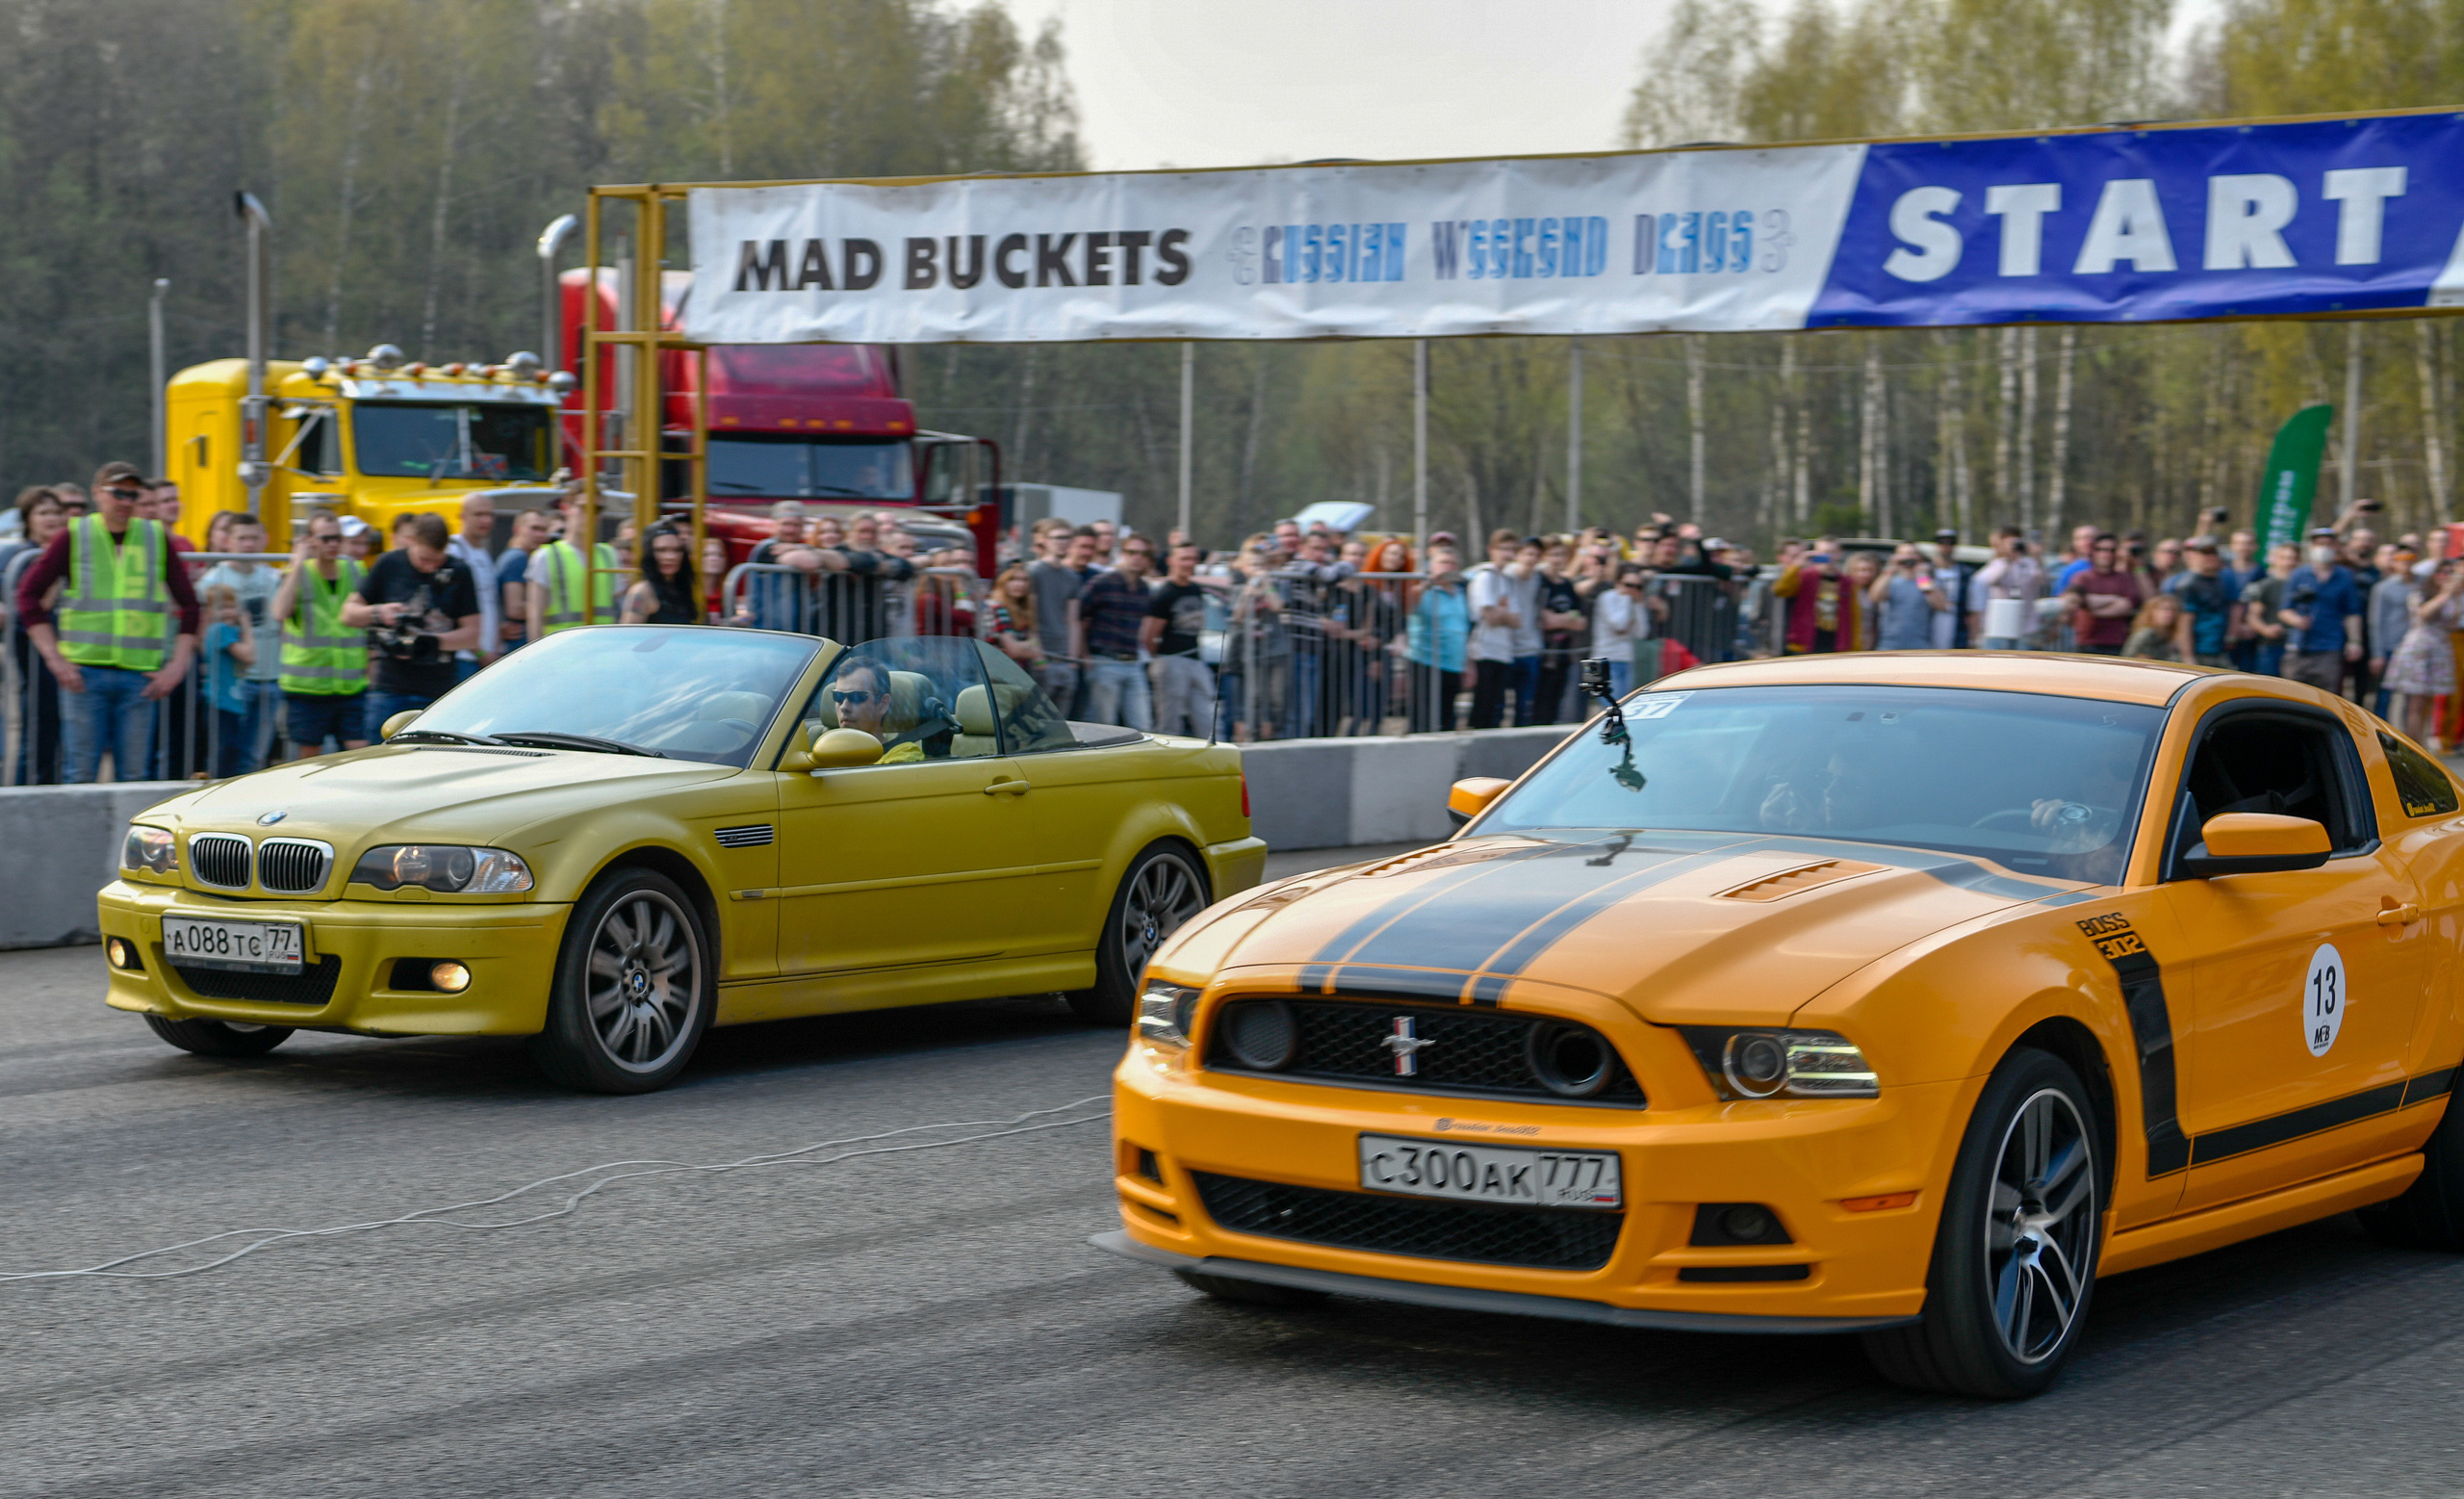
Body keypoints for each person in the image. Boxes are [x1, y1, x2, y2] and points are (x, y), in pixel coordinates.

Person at [14, 462, 199, 784]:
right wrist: (54, 659)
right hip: (84, 676)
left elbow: (191, 606)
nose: (125, 501)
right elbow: (29, 595)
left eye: (132, 494)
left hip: (140, 677)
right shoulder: (75, 534)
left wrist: (177, 666)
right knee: (81, 774)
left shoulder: (154, 535)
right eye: (118, 493)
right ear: (98, 493)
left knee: (135, 776)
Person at [346, 511, 480, 730]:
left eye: (438, 561)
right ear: (411, 542)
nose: (431, 568)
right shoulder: (389, 563)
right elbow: (348, 613)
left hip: (439, 691)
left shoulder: (459, 571)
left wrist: (426, 642)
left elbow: (472, 634)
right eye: (424, 560)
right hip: (390, 688)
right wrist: (379, 612)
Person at [270, 511, 370, 758]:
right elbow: (280, 612)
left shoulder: (356, 571)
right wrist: (298, 563)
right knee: (309, 760)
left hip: (351, 686)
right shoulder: (297, 573)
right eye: (325, 539)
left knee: (357, 754)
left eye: (337, 538)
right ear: (310, 540)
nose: (333, 545)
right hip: (308, 688)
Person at [193, 513, 283, 774]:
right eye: (241, 538)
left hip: (269, 677)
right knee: (224, 755)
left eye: (254, 538)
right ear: (227, 540)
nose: (248, 545)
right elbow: (200, 633)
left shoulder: (274, 578)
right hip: (231, 685)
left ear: (264, 540)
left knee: (255, 758)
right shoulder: (210, 581)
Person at [2, 486, 67, 783]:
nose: (51, 519)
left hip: (70, 647)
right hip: (29, 646)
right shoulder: (15, 553)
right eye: (43, 513)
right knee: (37, 725)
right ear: (29, 518)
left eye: (56, 512)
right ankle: (26, 787)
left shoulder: (70, 550)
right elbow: (33, 604)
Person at [1079, 533, 1155, 732]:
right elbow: (1076, 618)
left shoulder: (1144, 588)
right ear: (1122, 554)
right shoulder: (1102, 583)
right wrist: (1085, 656)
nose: (1137, 557)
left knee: (1143, 726)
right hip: (1104, 661)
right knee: (1104, 726)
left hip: (1133, 663)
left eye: (1143, 553)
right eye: (1132, 552)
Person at [2385, 559, 2464, 749]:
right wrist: (2445, 595)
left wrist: (2454, 598)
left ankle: (2421, 745)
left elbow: (2452, 624)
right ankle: (2412, 745)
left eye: (2449, 573)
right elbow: (2423, 614)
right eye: (2441, 572)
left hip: (2440, 649)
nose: (2445, 577)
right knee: (2416, 703)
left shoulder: (2454, 597)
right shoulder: (2421, 593)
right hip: (2420, 649)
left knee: (2429, 701)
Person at [1467, 531, 1541, 729]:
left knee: (1495, 710)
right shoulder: (1485, 576)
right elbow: (1489, 616)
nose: (1507, 554)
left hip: (1503, 651)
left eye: (1510, 550)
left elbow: (1517, 620)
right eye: (1502, 549)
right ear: (1491, 550)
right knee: (1483, 706)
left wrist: (1501, 614)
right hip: (1485, 649)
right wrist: (1503, 615)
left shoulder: (1507, 580)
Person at [2277, 529, 2366, 694]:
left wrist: (2355, 641)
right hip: (2299, 647)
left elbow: (2352, 612)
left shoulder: (2345, 576)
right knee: (2292, 695)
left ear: (2335, 547)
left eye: (2328, 544)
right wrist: (2296, 620)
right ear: (2311, 547)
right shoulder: (2298, 575)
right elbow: (2284, 610)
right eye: (2319, 544)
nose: (2323, 548)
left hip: (2330, 647)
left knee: (2327, 696)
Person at [1144, 542, 1215, 737]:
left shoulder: (1195, 589)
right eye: (1184, 558)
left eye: (1193, 559)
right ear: (1171, 561)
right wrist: (1160, 659)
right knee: (1170, 721)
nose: (1189, 563)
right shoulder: (1165, 593)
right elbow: (1149, 635)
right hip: (1170, 659)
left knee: (1206, 719)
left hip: (1195, 658)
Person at [527, 491, 620, 639]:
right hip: (562, 652)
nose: (590, 515)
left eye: (597, 509)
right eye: (583, 507)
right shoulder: (546, 556)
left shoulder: (610, 555)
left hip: (603, 649)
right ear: (566, 508)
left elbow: (618, 609)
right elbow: (535, 615)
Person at [1404, 546, 1471, 733]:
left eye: (1452, 564)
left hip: (1453, 664)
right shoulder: (1423, 590)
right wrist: (1429, 582)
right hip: (1425, 661)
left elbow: (1463, 628)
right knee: (1422, 718)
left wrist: (1468, 663)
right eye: (1443, 563)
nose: (1448, 567)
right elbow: (1407, 605)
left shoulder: (1460, 593)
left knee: (1447, 719)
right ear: (1430, 566)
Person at [1025, 517, 1085, 716]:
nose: (1063, 542)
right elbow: (1030, 617)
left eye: (1067, 538)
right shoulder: (1033, 571)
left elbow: (1073, 619)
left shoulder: (1072, 577)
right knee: (1037, 717)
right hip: (1042, 655)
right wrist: (1039, 656)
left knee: (1063, 721)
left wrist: (1073, 659)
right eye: (1058, 538)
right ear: (1044, 541)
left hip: (1065, 658)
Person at [198, 583, 257, 777]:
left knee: (226, 750)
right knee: (225, 753)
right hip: (221, 702)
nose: (229, 612)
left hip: (226, 701)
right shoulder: (222, 630)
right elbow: (248, 656)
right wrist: (247, 626)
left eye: (231, 607)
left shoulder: (217, 630)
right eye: (222, 608)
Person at [1771, 540, 1865, 654]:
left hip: (1837, 646)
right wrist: (1796, 565)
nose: (1828, 556)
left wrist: (1855, 647)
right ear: (1815, 553)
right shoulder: (1804, 576)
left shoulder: (1847, 582)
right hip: (1804, 645)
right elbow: (1780, 590)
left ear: (1839, 554)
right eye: (1823, 552)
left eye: (1832, 552)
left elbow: (1854, 617)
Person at [446, 493, 500, 679]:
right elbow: (453, 609)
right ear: (462, 516)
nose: (486, 520)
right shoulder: (454, 551)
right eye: (478, 514)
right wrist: (479, 652)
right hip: (465, 658)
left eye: (489, 515)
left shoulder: (482, 553)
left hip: (485, 657)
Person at [829, 656, 922, 762]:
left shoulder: (904, 756)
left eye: (856, 697)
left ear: (883, 704)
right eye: (838, 696)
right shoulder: (824, 754)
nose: (844, 707)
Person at [2063, 534, 2144, 657]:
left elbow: (2126, 606)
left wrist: (2091, 608)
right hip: (2086, 643)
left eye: (2111, 550)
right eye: (2100, 549)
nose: (2106, 554)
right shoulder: (2082, 577)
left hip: (2117, 644)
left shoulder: (2125, 578)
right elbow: (2074, 600)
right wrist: (2113, 599)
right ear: (2093, 552)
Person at [2166, 537, 2241, 669]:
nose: (2210, 557)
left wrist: (2231, 635)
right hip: (2197, 653)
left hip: (2220, 651)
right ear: (2194, 556)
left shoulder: (2224, 579)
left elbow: (2235, 608)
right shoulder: (2187, 584)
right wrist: (2188, 657)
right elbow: (2184, 622)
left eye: (2214, 553)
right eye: (2205, 553)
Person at [1969, 527, 2044, 650]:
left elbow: (2042, 582)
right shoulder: (1997, 564)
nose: (2014, 546)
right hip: (1999, 628)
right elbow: (1985, 581)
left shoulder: (2030, 563)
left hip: (2025, 628)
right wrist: (2008, 560)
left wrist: (2036, 557)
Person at [2370, 550, 2423, 713]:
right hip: (2391, 646)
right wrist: (2377, 653)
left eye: (2410, 558)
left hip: (2417, 646)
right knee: (2385, 696)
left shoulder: (2423, 583)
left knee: (2414, 697)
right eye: (2400, 559)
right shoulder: (2383, 588)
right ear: (2392, 562)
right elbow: (2375, 622)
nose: (2405, 562)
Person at [1869, 543, 1949, 652]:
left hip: (1919, 646)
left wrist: (1922, 575)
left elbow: (1941, 605)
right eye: (1903, 554)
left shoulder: (1925, 581)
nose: (1907, 557)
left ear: (1919, 557)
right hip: (1889, 646)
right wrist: (1890, 570)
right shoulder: (1892, 581)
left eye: (1911, 553)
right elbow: (1874, 597)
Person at [1592, 563, 1656, 695]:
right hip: (1604, 659)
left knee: (1621, 708)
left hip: (1626, 660)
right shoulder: (1607, 597)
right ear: (1618, 583)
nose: (1633, 590)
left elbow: (1642, 633)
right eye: (1628, 585)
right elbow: (1619, 625)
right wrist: (1628, 599)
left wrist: (1638, 605)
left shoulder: (1635, 603)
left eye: (1638, 587)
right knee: (1613, 705)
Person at [494, 507, 550, 654]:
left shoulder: (517, 556)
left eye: (544, 530)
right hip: (518, 645)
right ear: (517, 529)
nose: (540, 535)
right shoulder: (518, 558)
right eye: (534, 528)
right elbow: (515, 608)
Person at [2242, 541, 2299, 679]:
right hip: (2271, 646)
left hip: (2300, 647)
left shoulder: (2305, 585)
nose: (2288, 563)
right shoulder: (2264, 586)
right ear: (2274, 559)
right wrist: (2265, 630)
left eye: (2293, 558)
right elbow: (2253, 616)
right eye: (2284, 558)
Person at [621, 527, 702, 624]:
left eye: (677, 550)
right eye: (661, 550)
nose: (670, 557)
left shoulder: (683, 589)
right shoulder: (643, 591)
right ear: (650, 554)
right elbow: (628, 635)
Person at [987, 564, 1043, 667]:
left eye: (1024, 580)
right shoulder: (997, 607)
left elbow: (1039, 659)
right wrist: (1033, 648)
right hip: (998, 672)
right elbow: (1014, 650)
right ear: (1001, 582)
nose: (1020, 584)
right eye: (1012, 579)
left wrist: (1038, 657)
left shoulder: (1023, 609)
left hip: (1017, 672)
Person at [2123, 593, 2187, 662]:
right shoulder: (2145, 634)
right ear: (2151, 612)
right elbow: (2127, 657)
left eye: (2173, 610)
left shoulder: (2173, 635)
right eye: (2164, 609)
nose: (2169, 614)